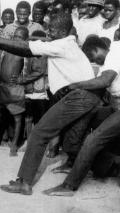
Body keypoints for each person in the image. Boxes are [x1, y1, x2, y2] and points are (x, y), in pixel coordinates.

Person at [0, 13, 100, 195]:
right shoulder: (68, 43)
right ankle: (109, 167)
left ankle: (24, 182)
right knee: (73, 140)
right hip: (87, 97)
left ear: (62, 31)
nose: (49, 32)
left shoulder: (61, 45)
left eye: (52, 30)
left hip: (79, 97)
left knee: (39, 133)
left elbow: (25, 48)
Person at [44, 36, 120, 196]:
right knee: (81, 118)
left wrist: (75, 85)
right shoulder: (107, 60)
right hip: (114, 106)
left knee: (94, 139)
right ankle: (76, 161)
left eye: (92, 57)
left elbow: (104, 81)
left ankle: (69, 186)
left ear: (98, 49)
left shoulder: (115, 52)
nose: (94, 61)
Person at [0, 26, 28, 156]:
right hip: (2, 87)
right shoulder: (6, 49)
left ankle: (14, 145)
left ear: (25, 39)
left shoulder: (25, 53)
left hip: (15, 89)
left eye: (20, 37)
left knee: (17, 118)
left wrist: (22, 79)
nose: (17, 39)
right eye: (15, 36)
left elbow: (28, 69)